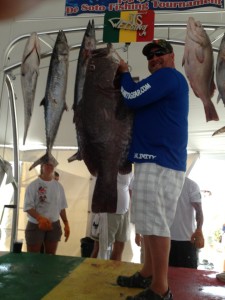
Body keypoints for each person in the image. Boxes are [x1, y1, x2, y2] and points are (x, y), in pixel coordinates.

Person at [116, 39, 189, 300]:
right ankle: (147, 272)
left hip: (159, 161)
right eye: (150, 56)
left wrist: (124, 74)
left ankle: (161, 288)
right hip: (155, 161)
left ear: (172, 56)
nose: (155, 58)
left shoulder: (168, 76)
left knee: (156, 224)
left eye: (160, 53)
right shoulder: (164, 82)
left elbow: (132, 97)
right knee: (148, 222)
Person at [23, 160, 70, 254]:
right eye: (46, 164)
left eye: (51, 165)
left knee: (50, 257)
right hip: (36, 224)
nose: (49, 166)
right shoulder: (33, 185)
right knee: (33, 257)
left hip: (54, 224)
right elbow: (28, 207)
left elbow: (61, 207)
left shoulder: (58, 186)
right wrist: (40, 218)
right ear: (41, 167)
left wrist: (66, 223)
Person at [90, 172, 133, 261]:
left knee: (120, 246)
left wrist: (130, 207)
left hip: (124, 212)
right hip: (107, 211)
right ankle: (93, 274)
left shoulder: (128, 168)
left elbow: (130, 189)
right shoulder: (105, 161)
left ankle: (115, 273)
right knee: (101, 248)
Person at [169, 177, 204, 269]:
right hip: (164, 239)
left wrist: (199, 230)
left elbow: (199, 210)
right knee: (166, 275)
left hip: (187, 240)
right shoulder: (161, 182)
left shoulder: (191, 185)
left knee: (188, 276)